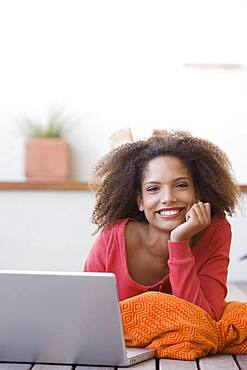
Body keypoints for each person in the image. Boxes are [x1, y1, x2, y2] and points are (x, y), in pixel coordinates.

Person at [84, 129, 239, 320]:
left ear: (197, 193)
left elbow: (203, 320)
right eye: (153, 189)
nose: (168, 198)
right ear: (140, 201)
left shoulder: (215, 231)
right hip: (123, 348)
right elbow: (87, 315)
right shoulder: (112, 238)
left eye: (181, 185)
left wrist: (179, 242)